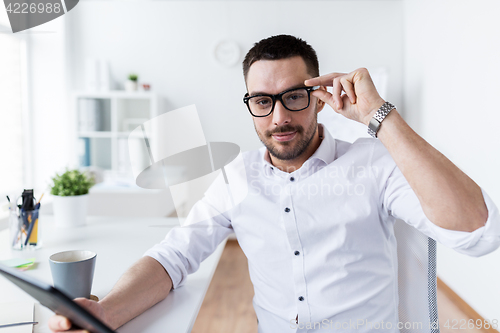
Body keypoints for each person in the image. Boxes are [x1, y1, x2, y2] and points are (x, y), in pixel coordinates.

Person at [49, 35, 500, 333]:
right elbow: (172, 257)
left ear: (319, 99)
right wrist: (104, 311)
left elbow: (481, 232)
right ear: (250, 106)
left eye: (294, 97)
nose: (280, 117)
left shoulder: (373, 164)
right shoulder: (236, 177)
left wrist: (379, 117)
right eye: (263, 101)